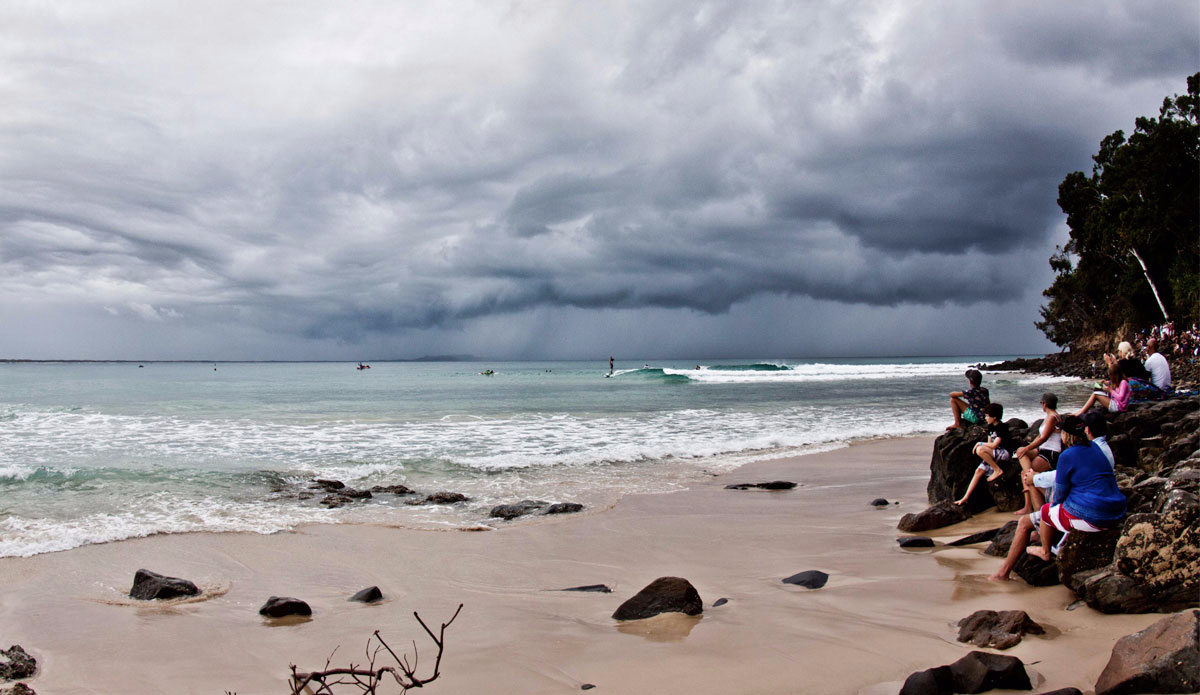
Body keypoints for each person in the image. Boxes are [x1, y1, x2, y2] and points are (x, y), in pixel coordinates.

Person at [990, 415, 1126, 581]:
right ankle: (1044, 535)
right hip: (1115, 511)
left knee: (1043, 512)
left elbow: (1060, 494)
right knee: (1050, 510)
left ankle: (1031, 558)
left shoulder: (1068, 455)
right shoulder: (1096, 448)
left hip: (1093, 516)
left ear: (1065, 435)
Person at [954, 403, 1015, 506]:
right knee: (978, 471)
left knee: (980, 450)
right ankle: (965, 497)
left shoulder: (1002, 427)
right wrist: (983, 446)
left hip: (1004, 452)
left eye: (987, 416)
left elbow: (995, 445)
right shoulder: (990, 426)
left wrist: (979, 443)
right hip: (994, 453)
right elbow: (990, 443)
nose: (986, 418)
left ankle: (997, 470)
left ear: (994, 417)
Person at [1013, 393, 1062, 515]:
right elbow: (1039, 436)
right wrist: (1026, 448)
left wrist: (1028, 448)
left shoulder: (1053, 417)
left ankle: (1036, 510)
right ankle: (1029, 480)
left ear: (1044, 403)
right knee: (1021, 452)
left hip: (1051, 453)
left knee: (1026, 475)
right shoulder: (1048, 417)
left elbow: (1044, 438)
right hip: (1042, 450)